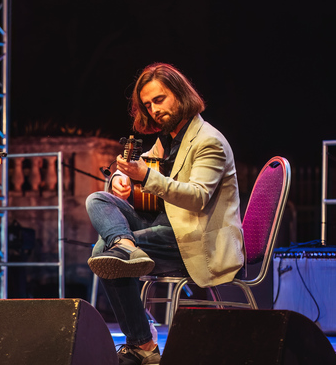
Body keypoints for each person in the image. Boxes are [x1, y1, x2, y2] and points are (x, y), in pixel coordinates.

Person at [86, 63, 245, 365]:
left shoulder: (208, 141)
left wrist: (144, 176)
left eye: (159, 100)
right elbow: (142, 177)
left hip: (196, 237)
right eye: (147, 104)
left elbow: (197, 198)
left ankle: (141, 345)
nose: (154, 109)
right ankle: (126, 247)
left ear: (180, 94)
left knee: (103, 253)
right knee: (98, 198)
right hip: (166, 227)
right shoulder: (167, 140)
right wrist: (122, 181)